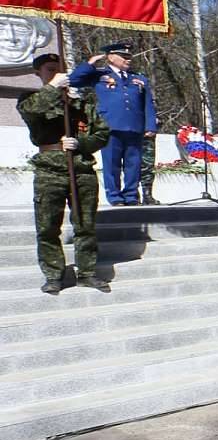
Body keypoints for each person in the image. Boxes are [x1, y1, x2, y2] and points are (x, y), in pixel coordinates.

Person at [18, 56, 111, 294]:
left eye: (60, 70)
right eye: (50, 70)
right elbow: (32, 112)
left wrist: (81, 143)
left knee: (85, 225)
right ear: (38, 73)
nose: (57, 73)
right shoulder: (30, 99)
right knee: (48, 226)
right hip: (50, 170)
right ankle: (54, 274)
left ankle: (87, 272)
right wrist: (53, 88)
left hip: (80, 168)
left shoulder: (83, 101)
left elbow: (102, 133)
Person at [67, 43, 157, 206]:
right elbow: (73, 81)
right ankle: (115, 196)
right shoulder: (99, 75)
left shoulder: (138, 78)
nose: (128, 60)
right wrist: (89, 65)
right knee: (112, 164)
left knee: (133, 164)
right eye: (124, 57)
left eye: (129, 57)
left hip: (134, 127)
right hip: (110, 126)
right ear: (110, 57)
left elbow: (147, 103)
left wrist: (150, 125)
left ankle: (131, 196)